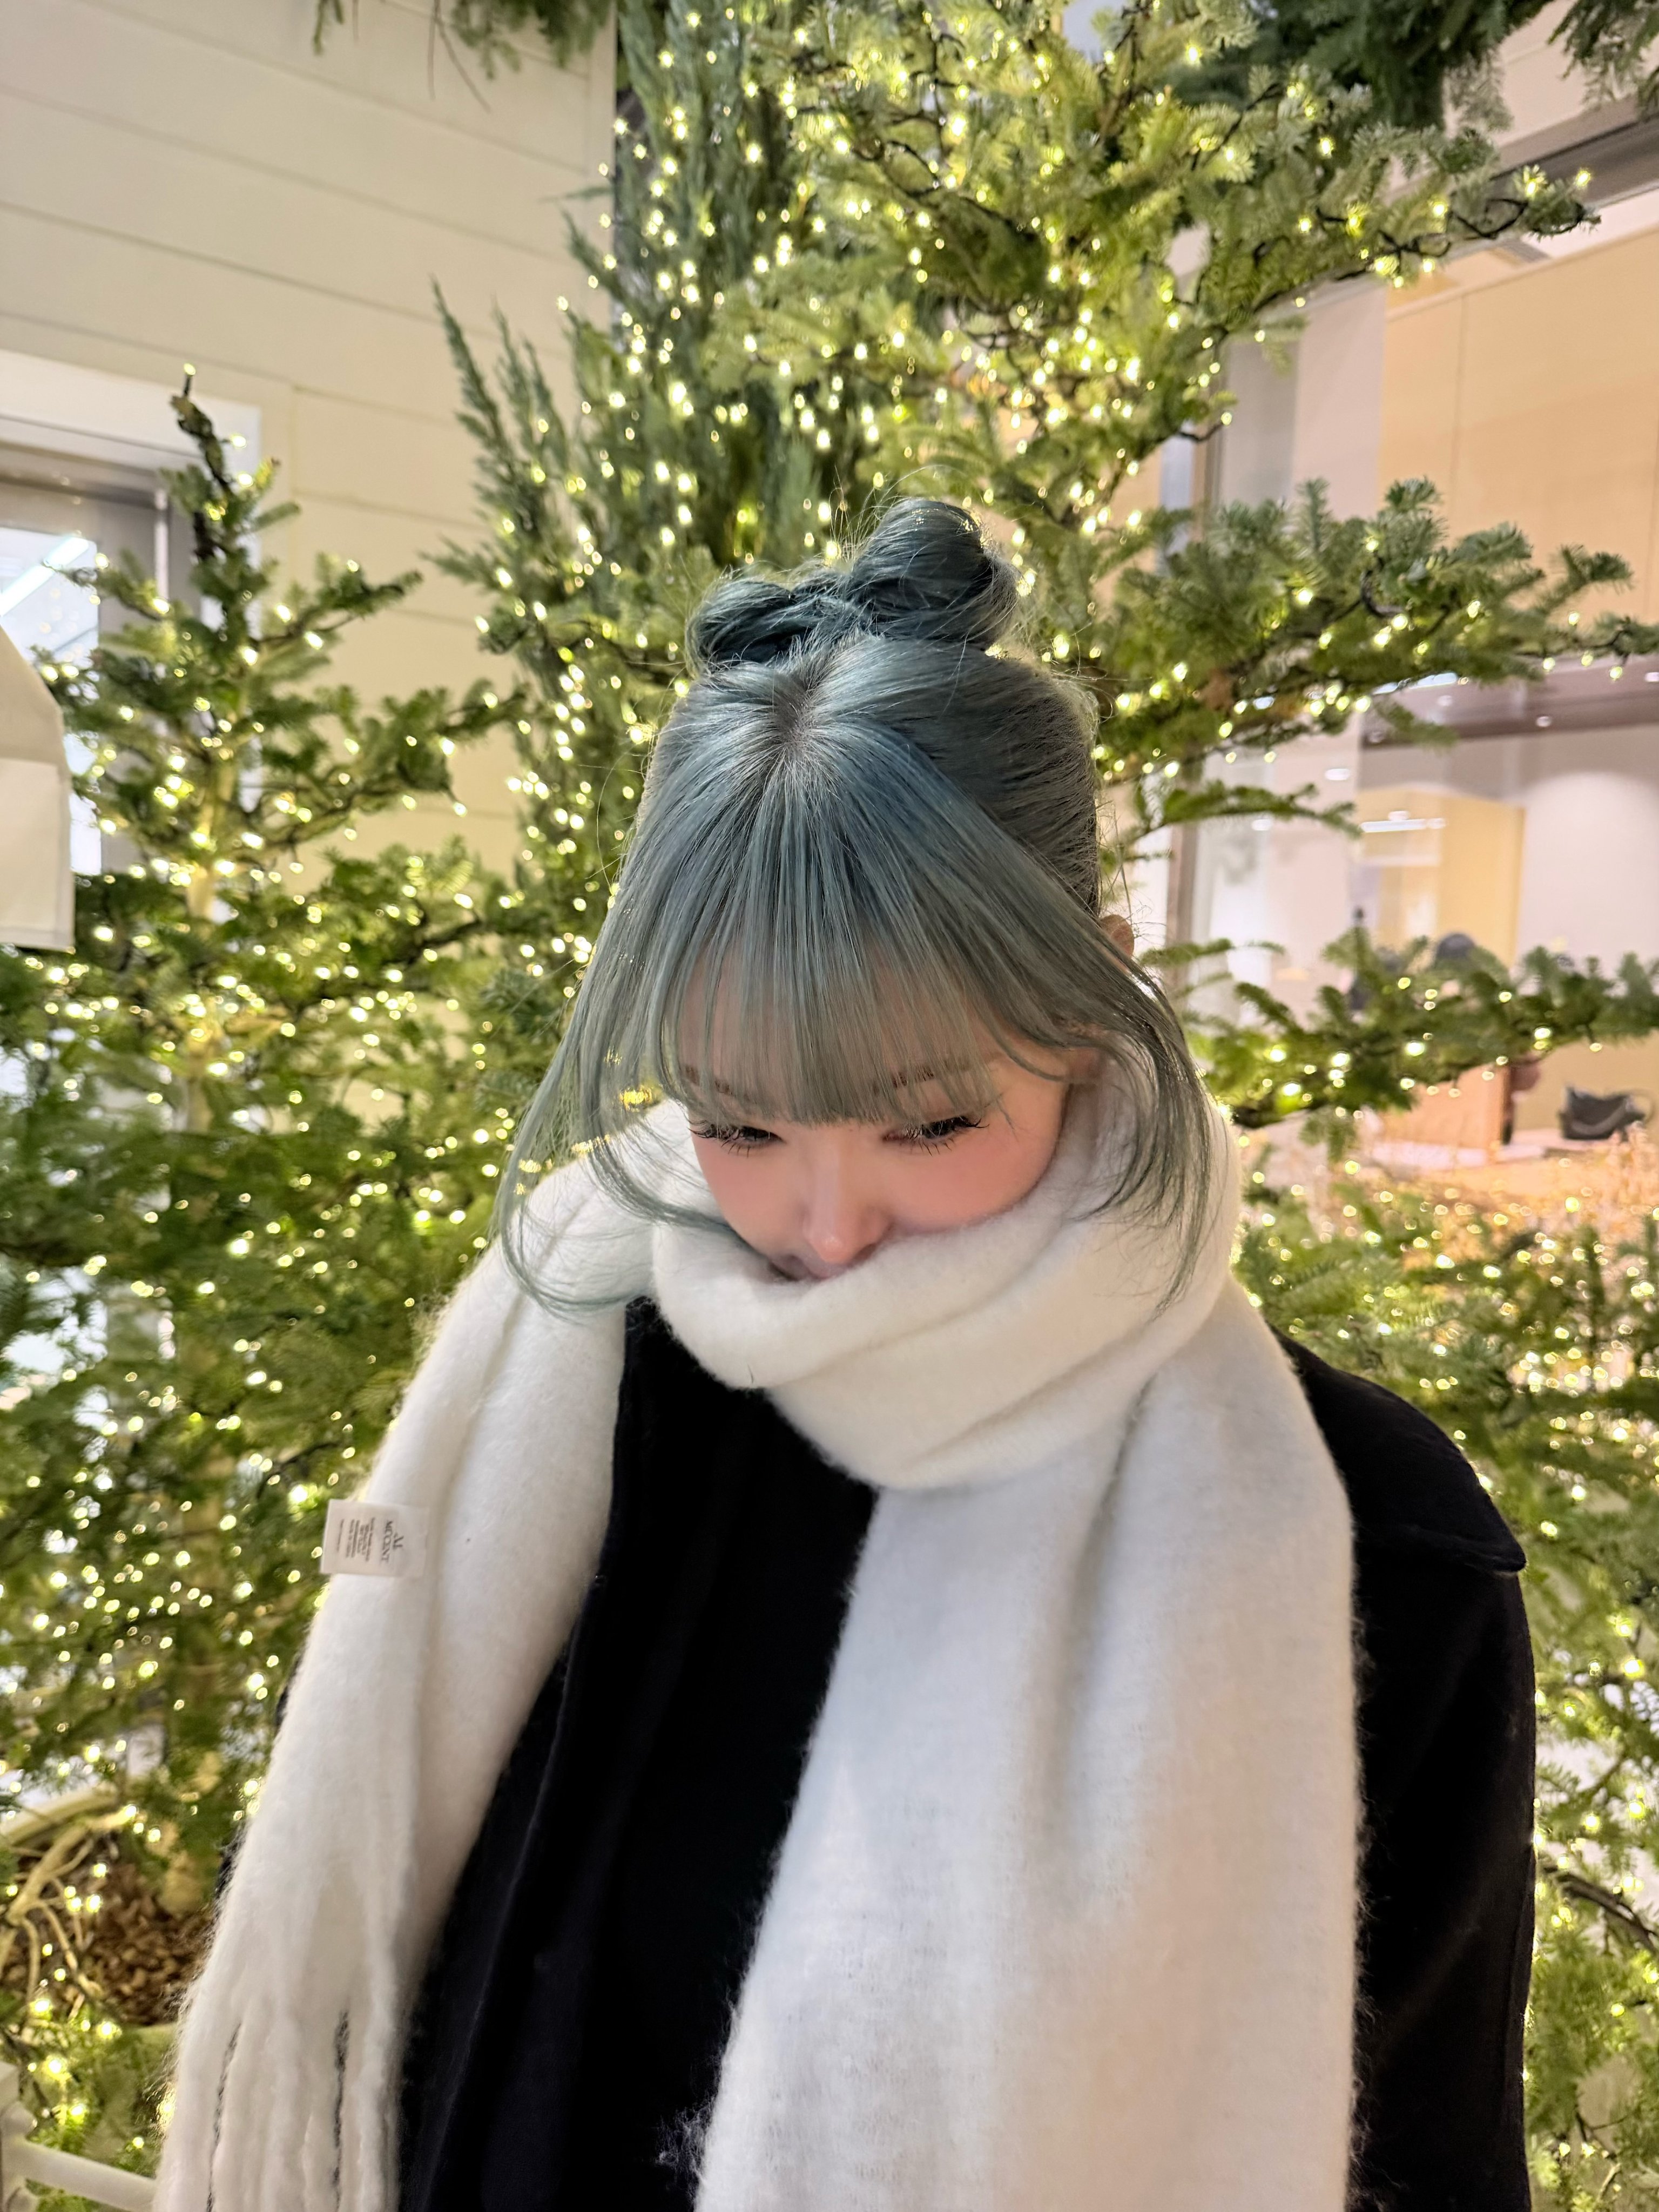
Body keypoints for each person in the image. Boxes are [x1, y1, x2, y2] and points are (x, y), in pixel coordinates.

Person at [156, 502, 1534, 2212]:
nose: (821, 1225)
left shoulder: (1366, 1547)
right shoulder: (581, 1385)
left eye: (928, 1120)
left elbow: (1429, 2162)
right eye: (737, 1119)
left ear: (1095, 1005)